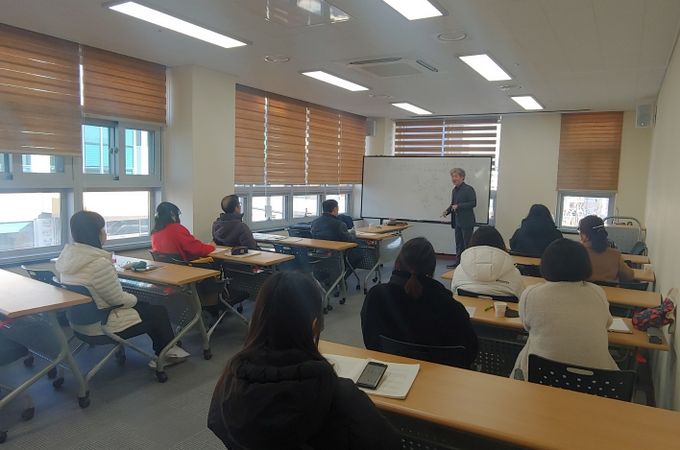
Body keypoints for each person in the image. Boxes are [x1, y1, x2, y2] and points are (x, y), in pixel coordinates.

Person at [208, 272, 400, 450]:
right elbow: (390, 444)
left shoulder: (228, 382)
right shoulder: (340, 396)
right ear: (314, 325)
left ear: (258, 318)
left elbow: (215, 424)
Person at [55, 211, 189, 368]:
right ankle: (165, 354)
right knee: (157, 311)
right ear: (95, 233)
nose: (105, 233)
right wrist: (136, 298)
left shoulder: (68, 260)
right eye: (103, 229)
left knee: (148, 308)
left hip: (79, 322)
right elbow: (118, 299)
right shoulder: (99, 264)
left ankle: (168, 350)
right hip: (102, 324)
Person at [361, 238, 478, 367]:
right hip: (440, 376)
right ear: (432, 268)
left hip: (392, 370)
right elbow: (470, 351)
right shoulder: (451, 307)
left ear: (398, 262)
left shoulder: (376, 296)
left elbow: (370, 340)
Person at [511, 239, 618, 380]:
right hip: (596, 382)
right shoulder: (597, 292)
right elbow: (607, 323)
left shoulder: (531, 294)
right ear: (585, 265)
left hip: (542, 377)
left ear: (545, 265)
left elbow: (527, 325)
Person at [451, 226, 525, 299]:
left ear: (472, 243)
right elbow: (521, 298)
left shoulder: (460, 269)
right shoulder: (513, 273)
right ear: (500, 244)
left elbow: (454, 293)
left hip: (466, 307)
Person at [151, 202, 215, 261]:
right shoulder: (176, 228)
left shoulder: (154, 232)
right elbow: (195, 249)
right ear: (172, 214)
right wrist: (212, 247)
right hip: (183, 266)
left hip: (166, 268)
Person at [578, 215, 634, 282]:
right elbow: (629, 276)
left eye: (580, 231)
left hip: (584, 288)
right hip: (609, 289)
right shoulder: (615, 255)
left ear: (585, 236)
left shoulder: (577, 253)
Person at [441, 168, 476, 268]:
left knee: (467, 244)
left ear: (462, 177)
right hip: (457, 222)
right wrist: (447, 211)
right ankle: (458, 263)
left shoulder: (469, 189)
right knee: (459, 244)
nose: (453, 179)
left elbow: (473, 203)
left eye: (456, 176)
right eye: (452, 176)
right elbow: (453, 204)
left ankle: (468, 265)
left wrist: (459, 206)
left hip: (467, 222)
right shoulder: (454, 190)